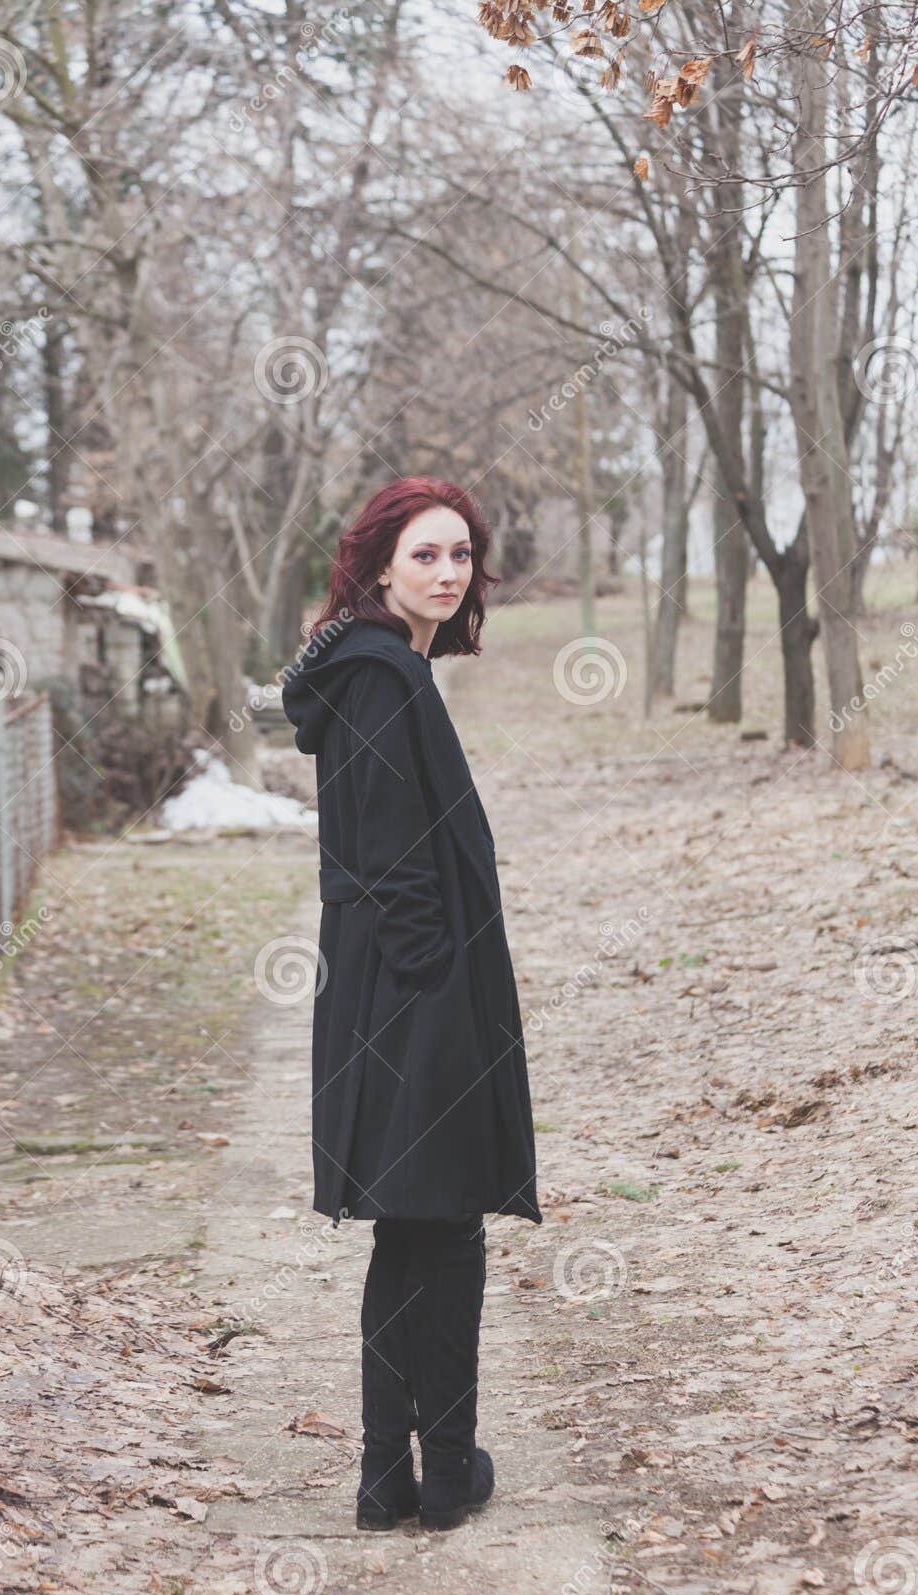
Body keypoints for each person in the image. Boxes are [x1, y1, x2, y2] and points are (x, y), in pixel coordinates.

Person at [281, 476, 541, 1533]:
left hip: (391, 980)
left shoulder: (369, 669)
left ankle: (399, 1474)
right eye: (425, 554)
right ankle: (435, 1475)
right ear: (378, 564)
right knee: (444, 1223)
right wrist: (437, 986)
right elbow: (392, 860)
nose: (446, 572)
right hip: (412, 988)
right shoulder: (384, 678)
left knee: (415, 1230)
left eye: (460, 555)